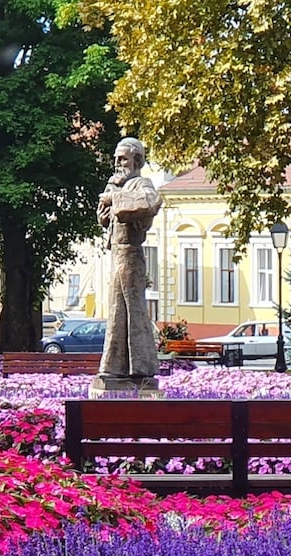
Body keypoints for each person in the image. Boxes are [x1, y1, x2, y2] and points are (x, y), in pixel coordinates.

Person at [95, 137, 163, 392]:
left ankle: (141, 368)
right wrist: (105, 213)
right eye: (116, 158)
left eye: (122, 158)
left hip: (131, 255)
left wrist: (115, 199)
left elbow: (148, 203)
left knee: (133, 310)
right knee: (116, 312)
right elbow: (108, 218)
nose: (117, 163)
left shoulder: (141, 184)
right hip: (116, 255)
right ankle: (114, 367)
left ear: (137, 160)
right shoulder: (118, 185)